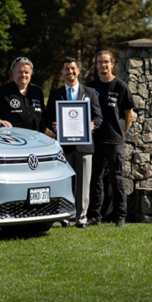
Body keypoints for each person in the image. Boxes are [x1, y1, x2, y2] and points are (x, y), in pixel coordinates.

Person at [43, 57, 103, 228]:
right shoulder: (55, 94)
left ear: (78, 71)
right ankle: (65, 216)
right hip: (64, 146)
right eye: (66, 69)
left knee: (84, 185)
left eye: (73, 69)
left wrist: (93, 125)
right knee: (65, 183)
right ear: (62, 73)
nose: (70, 72)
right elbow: (48, 118)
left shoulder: (90, 93)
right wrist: (53, 125)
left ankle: (81, 218)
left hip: (84, 146)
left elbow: (99, 117)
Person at [87, 50, 135, 228]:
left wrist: (121, 133)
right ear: (97, 65)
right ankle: (94, 216)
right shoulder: (91, 87)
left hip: (115, 140)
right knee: (95, 179)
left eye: (106, 62)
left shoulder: (120, 86)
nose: (103, 65)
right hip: (95, 140)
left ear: (112, 64)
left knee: (117, 179)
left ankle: (120, 216)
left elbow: (129, 114)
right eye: (99, 62)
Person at [0, 57, 45, 130]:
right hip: (12, 139)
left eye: (26, 72)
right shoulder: (2, 92)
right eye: (20, 72)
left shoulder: (37, 91)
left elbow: (43, 116)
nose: (23, 75)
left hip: (36, 138)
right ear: (13, 73)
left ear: (31, 74)